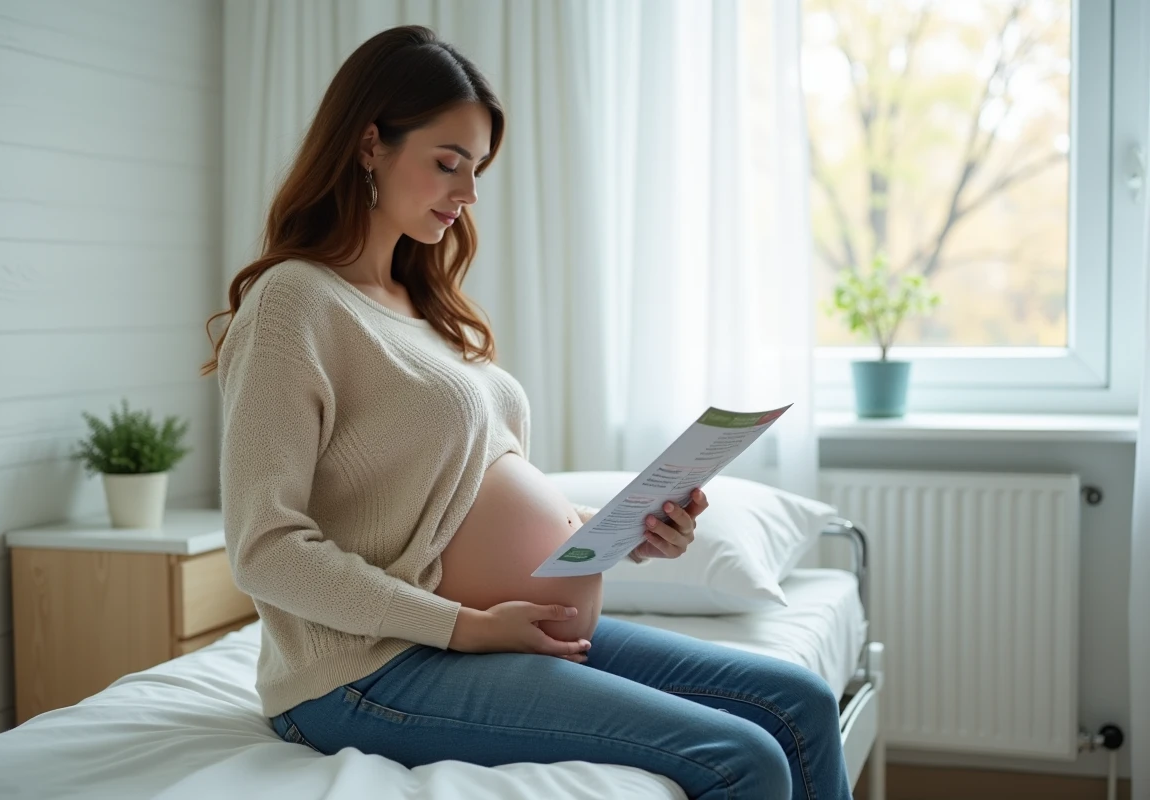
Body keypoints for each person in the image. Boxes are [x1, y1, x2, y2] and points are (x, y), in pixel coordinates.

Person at [203, 24, 853, 800]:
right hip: (368, 667)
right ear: (369, 143)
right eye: (448, 163)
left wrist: (621, 530)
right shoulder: (294, 303)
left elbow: (454, 494)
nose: (469, 193)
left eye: (477, 169)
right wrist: (466, 627)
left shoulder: (424, 308)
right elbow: (265, 550)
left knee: (801, 703)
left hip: (485, 635)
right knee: (741, 756)